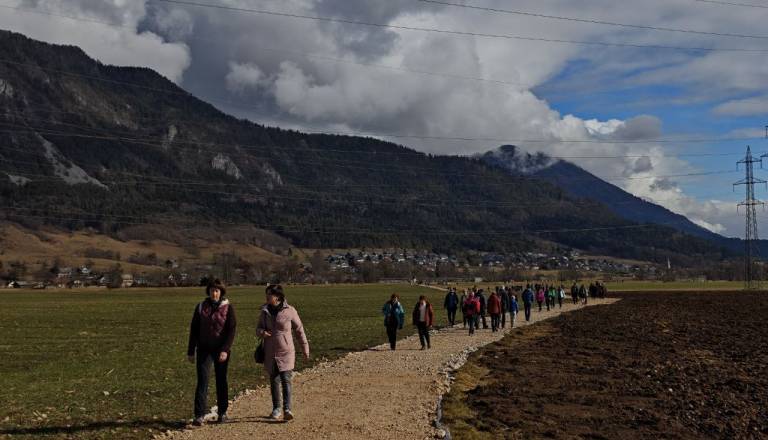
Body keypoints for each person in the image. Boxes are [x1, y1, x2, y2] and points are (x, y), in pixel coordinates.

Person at [256, 284, 310, 422]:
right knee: (274, 380)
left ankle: (287, 409)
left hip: (286, 351)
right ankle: (276, 408)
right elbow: (258, 328)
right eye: (266, 295)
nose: (267, 297)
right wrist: (262, 332)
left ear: (278, 297)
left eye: (270, 295)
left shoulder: (290, 310)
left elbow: (299, 330)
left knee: (286, 380)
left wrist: (305, 348)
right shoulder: (264, 311)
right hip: (270, 351)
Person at [187, 279, 236, 426]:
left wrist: (225, 350)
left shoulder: (228, 308)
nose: (214, 293)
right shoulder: (201, 307)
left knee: (221, 380)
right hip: (204, 349)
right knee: (202, 381)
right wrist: (191, 351)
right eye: (212, 290)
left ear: (221, 292)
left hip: (221, 350)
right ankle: (199, 415)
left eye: (217, 290)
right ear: (208, 292)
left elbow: (231, 330)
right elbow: (194, 330)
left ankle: (222, 413)